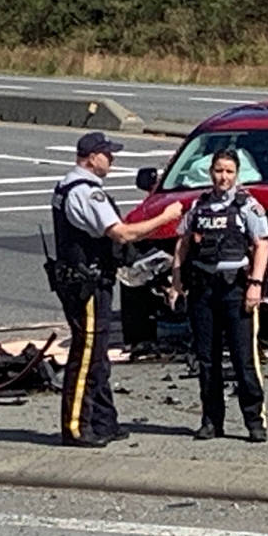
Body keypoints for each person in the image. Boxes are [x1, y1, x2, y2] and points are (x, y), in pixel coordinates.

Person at [50, 131, 184, 448]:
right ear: (92, 156)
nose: (112, 159)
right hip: (87, 284)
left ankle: (103, 422)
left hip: (89, 280)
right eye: (108, 154)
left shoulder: (70, 185)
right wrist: (165, 218)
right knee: (85, 356)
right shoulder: (85, 193)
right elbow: (121, 234)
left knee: (98, 356)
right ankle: (76, 427)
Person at [168, 149, 268, 443]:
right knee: (207, 360)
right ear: (210, 173)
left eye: (228, 171)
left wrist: (255, 284)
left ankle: (254, 421)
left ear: (237, 174)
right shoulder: (199, 206)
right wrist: (176, 281)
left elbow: (261, 245)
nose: (223, 177)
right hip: (203, 289)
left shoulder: (247, 206)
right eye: (218, 171)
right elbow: (182, 243)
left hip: (236, 290)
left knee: (243, 359)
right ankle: (212, 421)